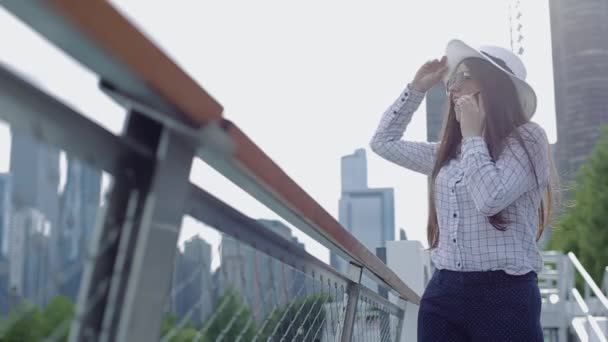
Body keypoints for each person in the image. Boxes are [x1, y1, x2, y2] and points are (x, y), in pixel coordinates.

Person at [370, 39, 559, 341]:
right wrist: (416, 89)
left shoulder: (528, 139)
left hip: (506, 296)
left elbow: (490, 198)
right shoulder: (449, 153)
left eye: (465, 76)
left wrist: (473, 135)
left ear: (495, 86)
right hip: (444, 293)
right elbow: (383, 143)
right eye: (452, 80)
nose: (453, 87)